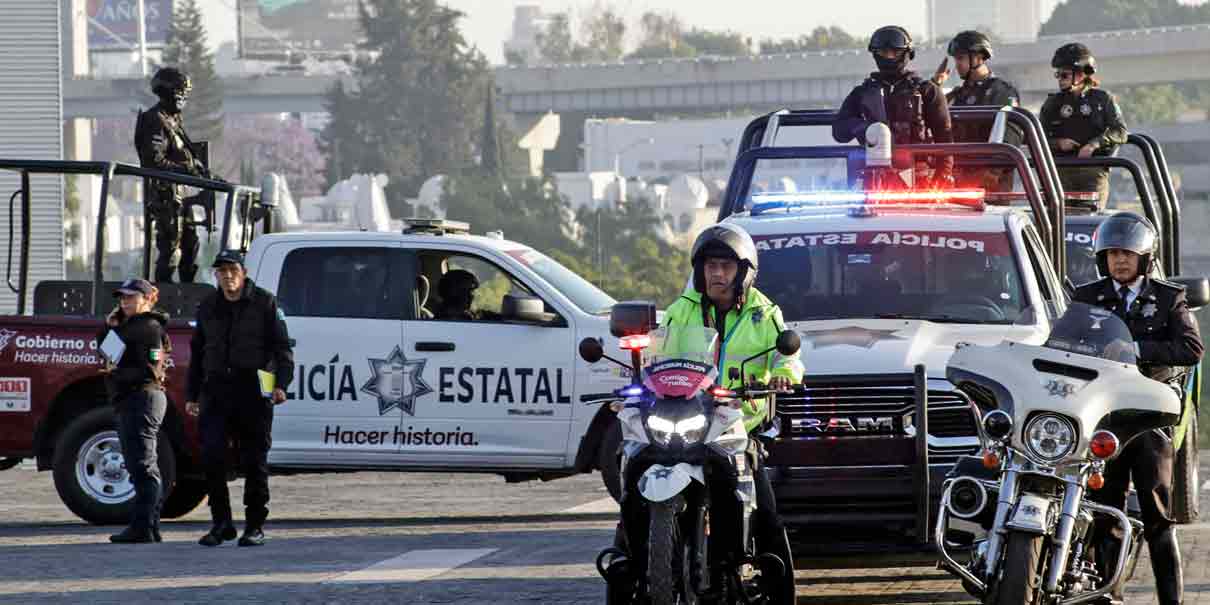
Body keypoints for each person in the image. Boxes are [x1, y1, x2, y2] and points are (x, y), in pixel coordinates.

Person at [609, 224, 804, 604]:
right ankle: (626, 565)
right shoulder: (682, 310)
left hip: (738, 422)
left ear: (743, 271)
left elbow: (789, 354)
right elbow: (656, 355)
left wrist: (781, 376)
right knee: (633, 469)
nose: (718, 274)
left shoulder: (764, 314)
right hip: (684, 415)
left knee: (765, 513)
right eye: (711, 266)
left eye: (726, 267)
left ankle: (777, 587)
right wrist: (639, 378)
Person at [1073, 212, 1201, 605]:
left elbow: (1191, 349)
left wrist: (1138, 350)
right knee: (1101, 515)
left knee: (1159, 519)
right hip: (1104, 420)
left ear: (1145, 257)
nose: (1119, 261)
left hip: (1149, 421)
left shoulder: (1168, 297)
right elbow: (1064, 344)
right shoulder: (1086, 298)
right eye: (1112, 254)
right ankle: (1104, 595)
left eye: (1127, 254)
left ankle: (1171, 601)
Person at [186, 250, 294, 547]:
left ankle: (255, 525)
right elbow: (198, 353)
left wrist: (280, 384)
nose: (227, 276)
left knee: (254, 460)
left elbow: (282, 350)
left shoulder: (265, 302)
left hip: (254, 389)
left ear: (243, 272)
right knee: (212, 457)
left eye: (232, 270)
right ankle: (222, 524)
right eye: (221, 271)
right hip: (216, 390)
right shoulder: (208, 306)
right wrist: (192, 394)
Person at [834, 25, 953, 188]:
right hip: (873, 180)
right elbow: (839, 132)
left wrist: (941, 177)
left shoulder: (927, 91)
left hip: (919, 180)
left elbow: (945, 139)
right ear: (875, 54)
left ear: (907, 53)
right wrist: (864, 128)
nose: (889, 57)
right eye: (884, 52)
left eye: (895, 52)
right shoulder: (862, 92)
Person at [98, 279, 171, 544]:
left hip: (143, 398)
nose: (125, 302)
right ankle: (148, 527)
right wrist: (110, 325)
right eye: (122, 298)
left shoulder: (149, 327)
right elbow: (106, 350)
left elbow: (150, 371)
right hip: (132, 399)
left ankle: (144, 526)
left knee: (143, 465)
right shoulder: (129, 326)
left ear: (148, 299)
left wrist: (117, 373)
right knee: (138, 464)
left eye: (131, 297)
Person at [134, 66, 207, 284]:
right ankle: (163, 294)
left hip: (181, 194)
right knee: (171, 251)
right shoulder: (154, 119)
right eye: (179, 91)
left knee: (191, 245)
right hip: (165, 195)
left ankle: (187, 290)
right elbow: (153, 161)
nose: (183, 97)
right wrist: (184, 171)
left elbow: (183, 154)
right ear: (166, 92)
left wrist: (199, 169)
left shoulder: (173, 120)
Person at [932, 30, 1021, 190]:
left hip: (990, 184)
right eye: (956, 59)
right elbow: (930, 115)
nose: (957, 64)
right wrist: (935, 85)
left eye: (961, 58)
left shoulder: (1001, 92)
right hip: (959, 179)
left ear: (979, 58)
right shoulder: (958, 94)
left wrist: (993, 172)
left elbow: (1011, 133)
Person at [1040, 43, 1128, 204]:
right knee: (1055, 224)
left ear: (1081, 74)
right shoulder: (1052, 104)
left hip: (1093, 173)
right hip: (1059, 173)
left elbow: (1120, 132)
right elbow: (1038, 138)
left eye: (1064, 75)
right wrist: (1058, 143)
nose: (1060, 80)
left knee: (1089, 221)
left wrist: (1094, 144)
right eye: (1057, 75)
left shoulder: (1103, 99)